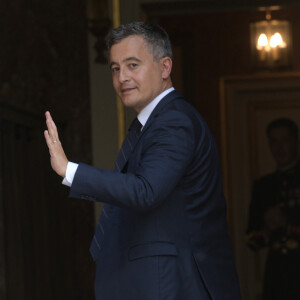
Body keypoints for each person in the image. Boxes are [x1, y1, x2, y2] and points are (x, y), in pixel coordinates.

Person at [44, 21, 240, 300]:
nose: (122, 77)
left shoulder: (174, 121)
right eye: (115, 68)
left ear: (165, 67)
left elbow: (145, 190)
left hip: (171, 286)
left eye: (133, 65)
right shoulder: (157, 122)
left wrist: (69, 170)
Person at [246, 118, 300, 300]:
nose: (279, 148)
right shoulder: (264, 186)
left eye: (285, 140)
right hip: (276, 280)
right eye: (274, 142)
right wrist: (267, 231)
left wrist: (287, 225)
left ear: (295, 141)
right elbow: (251, 239)